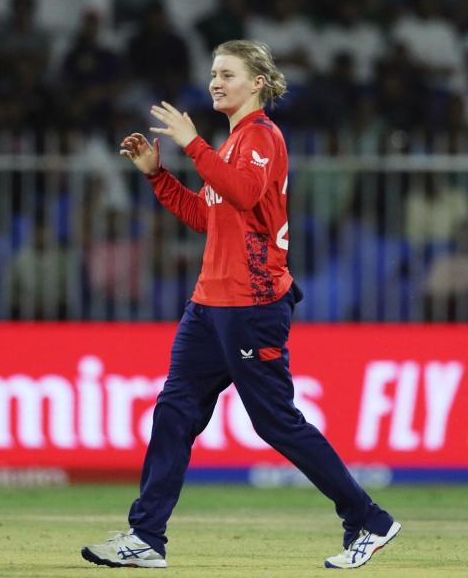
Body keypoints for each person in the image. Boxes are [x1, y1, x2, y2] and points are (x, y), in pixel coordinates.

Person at [80, 40, 400, 570]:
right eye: (212, 73)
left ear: (257, 83)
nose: (215, 81)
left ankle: (368, 518)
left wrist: (192, 145)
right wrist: (157, 175)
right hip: (209, 303)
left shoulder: (260, 138)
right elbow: (209, 217)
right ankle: (146, 537)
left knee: (276, 423)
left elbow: (246, 195)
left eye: (227, 73)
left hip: (250, 304)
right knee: (175, 412)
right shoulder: (229, 145)